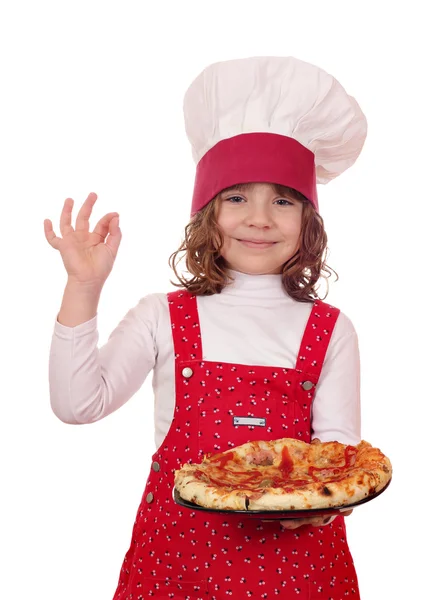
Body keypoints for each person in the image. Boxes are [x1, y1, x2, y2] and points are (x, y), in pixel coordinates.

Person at [45, 56, 368, 599]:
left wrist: (324, 505)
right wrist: (84, 286)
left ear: (308, 221)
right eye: (237, 197)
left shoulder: (331, 329)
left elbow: (336, 452)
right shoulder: (161, 315)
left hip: (297, 571)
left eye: (282, 200)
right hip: (177, 562)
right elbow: (78, 404)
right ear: (206, 215)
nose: (259, 218)